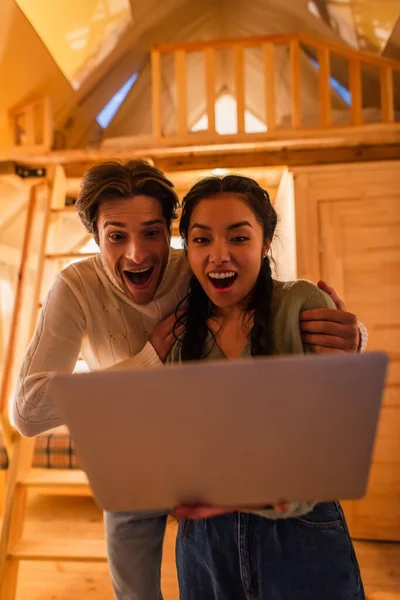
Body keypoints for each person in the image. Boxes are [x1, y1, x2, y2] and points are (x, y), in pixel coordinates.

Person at [12, 160, 365, 600]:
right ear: (95, 237)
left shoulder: (199, 267)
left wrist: (352, 337)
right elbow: (27, 413)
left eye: (152, 232)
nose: (138, 253)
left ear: (170, 232)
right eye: (117, 235)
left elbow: (284, 310)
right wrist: (149, 358)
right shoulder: (76, 287)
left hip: (224, 475)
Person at [167, 173, 365, 600]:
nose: (219, 255)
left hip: (300, 528)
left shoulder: (303, 304)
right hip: (204, 541)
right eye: (201, 241)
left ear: (266, 241)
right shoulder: (179, 333)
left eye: (238, 238)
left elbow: (332, 429)